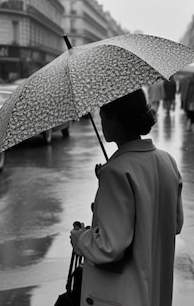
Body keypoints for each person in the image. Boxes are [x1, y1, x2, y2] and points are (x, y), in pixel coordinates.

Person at [69, 89, 184, 306]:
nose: (101, 123)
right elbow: (174, 224)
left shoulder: (116, 172)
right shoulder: (168, 161)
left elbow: (109, 247)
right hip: (157, 292)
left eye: (103, 117)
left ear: (117, 120)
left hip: (125, 296)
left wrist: (79, 237)